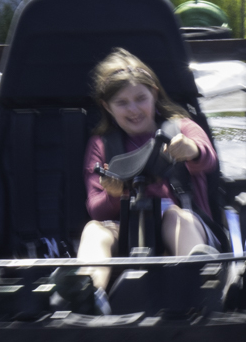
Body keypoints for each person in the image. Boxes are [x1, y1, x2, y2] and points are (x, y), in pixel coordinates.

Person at [78, 48, 219, 294]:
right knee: (93, 230)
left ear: (154, 94)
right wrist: (114, 194)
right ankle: (87, 293)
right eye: (122, 103)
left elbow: (208, 160)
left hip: (188, 226)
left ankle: (197, 285)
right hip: (126, 234)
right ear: (107, 107)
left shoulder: (183, 128)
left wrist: (192, 150)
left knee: (174, 217)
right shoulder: (100, 145)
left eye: (140, 98)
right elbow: (96, 209)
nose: (133, 110)